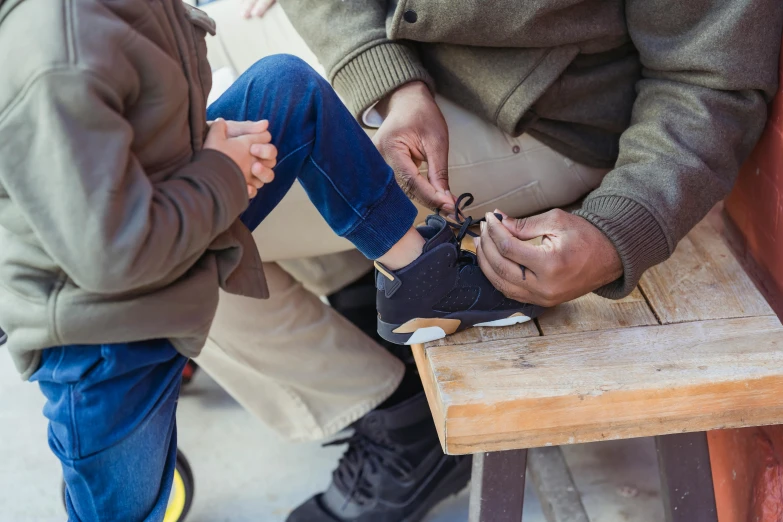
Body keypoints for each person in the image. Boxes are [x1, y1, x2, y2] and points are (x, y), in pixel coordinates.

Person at [188, 0, 783, 521]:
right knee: (157, 157)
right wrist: (384, 75)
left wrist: (615, 231)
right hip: (381, 40)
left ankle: (400, 428)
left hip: (537, 112)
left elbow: (710, 78)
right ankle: (362, 308)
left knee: (174, 237)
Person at [0, 0, 542, 520]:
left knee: (287, 88)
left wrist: (214, 144)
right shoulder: (55, 56)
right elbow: (114, 254)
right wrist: (220, 170)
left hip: (165, 206)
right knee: (121, 510)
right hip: (105, 336)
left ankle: (422, 278)